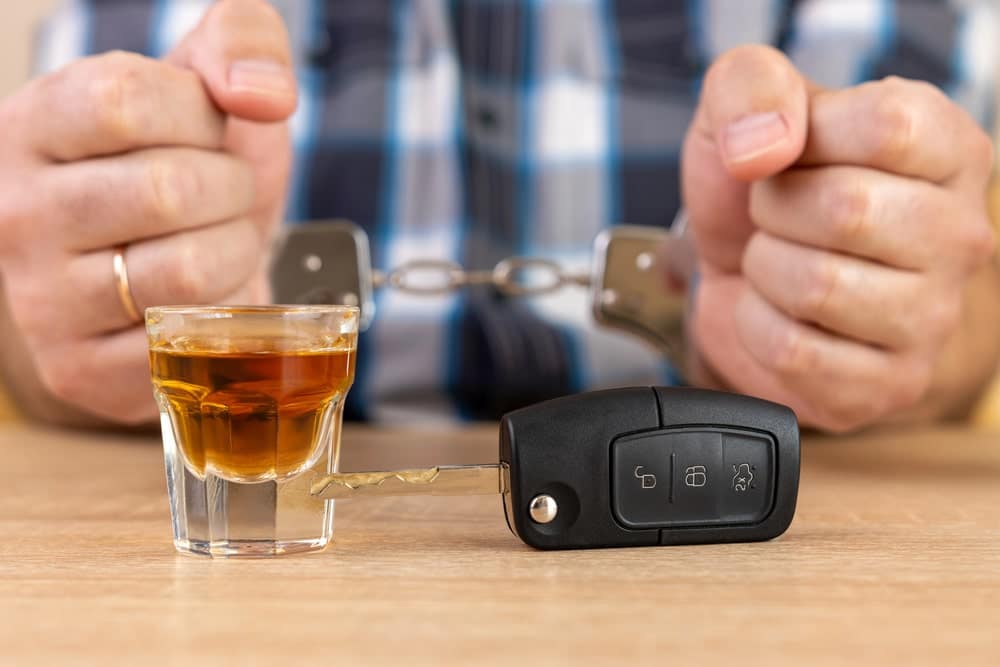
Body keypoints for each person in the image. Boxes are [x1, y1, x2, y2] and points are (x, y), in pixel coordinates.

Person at [0, 0, 997, 432]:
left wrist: (864, 303)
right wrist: (94, 301)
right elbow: (35, 248)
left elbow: (962, 262)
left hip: (740, 504)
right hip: (244, 505)